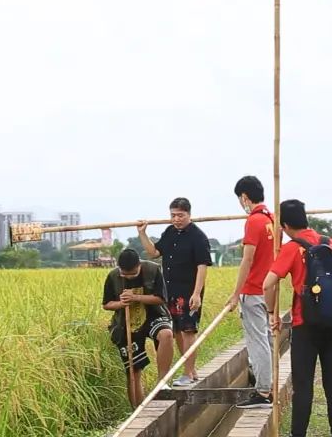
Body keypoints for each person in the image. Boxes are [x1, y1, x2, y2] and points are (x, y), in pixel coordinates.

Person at [264, 199, 332, 437]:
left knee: (303, 389)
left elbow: (268, 284)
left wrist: (272, 313)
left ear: (285, 224)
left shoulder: (291, 248)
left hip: (305, 325)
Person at [136, 197, 213, 387]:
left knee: (188, 329)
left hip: (188, 291)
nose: (176, 219)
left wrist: (196, 293)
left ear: (189, 215)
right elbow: (154, 253)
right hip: (169, 290)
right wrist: (142, 234)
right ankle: (191, 370)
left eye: (180, 215)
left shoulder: (198, 236)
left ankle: (187, 373)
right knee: (177, 329)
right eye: (173, 215)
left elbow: (202, 266)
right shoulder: (169, 232)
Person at [102, 249, 175, 406]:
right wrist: (121, 303)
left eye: (132, 274)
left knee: (166, 334)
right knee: (133, 371)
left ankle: (162, 381)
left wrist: (136, 297)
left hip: (153, 315)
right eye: (124, 274)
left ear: (139, 266)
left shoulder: (153, 270)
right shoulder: (113, 276)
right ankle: (138, 409)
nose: (128, 277)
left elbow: (161, 299)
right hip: (126, 323)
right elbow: (107, 304)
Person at [228, 175, 275, 409]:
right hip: (268, 289)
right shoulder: (272, 219)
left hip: (253, 289)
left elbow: (247, 260)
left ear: (245, 197)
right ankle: (268, 385)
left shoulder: (254, 221)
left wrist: (236, 294)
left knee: (257, 341)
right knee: (265, 338)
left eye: (240, 199)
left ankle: (263, 392)